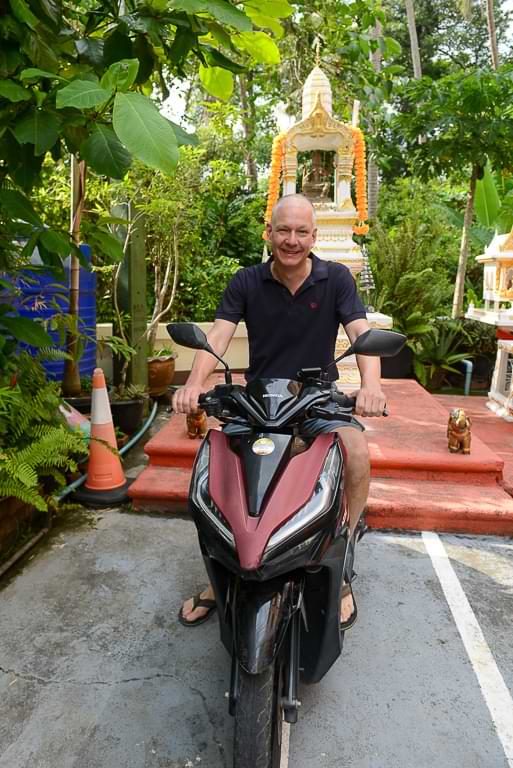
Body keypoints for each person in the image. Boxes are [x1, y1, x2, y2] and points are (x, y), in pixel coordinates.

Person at [172, 193, 386, 629]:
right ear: (269, 233)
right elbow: (217, 335)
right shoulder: (246, 281)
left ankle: (342, 552)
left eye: (301, 231)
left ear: (313, 235)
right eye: (283, 230)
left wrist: (372, 386)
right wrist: (195, 383)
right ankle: (222, 572)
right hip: (259, 399)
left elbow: (362, 333)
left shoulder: (337, 279)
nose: (292, 240)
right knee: (216, 465)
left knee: (357, 451)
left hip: (316, 397)